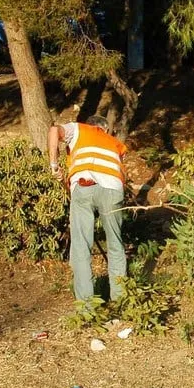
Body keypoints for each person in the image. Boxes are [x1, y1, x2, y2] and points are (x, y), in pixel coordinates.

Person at [48, 115, 129, 302]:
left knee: (81, 246)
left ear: (88, 125)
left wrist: (54, 165)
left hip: (83, 188)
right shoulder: (115, 143)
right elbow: (118, 172)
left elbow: (53, 130)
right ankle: (122, 301)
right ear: (105, 130)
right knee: (115, 245)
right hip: (113, 189)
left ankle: (86, 307)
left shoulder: (79, 129)